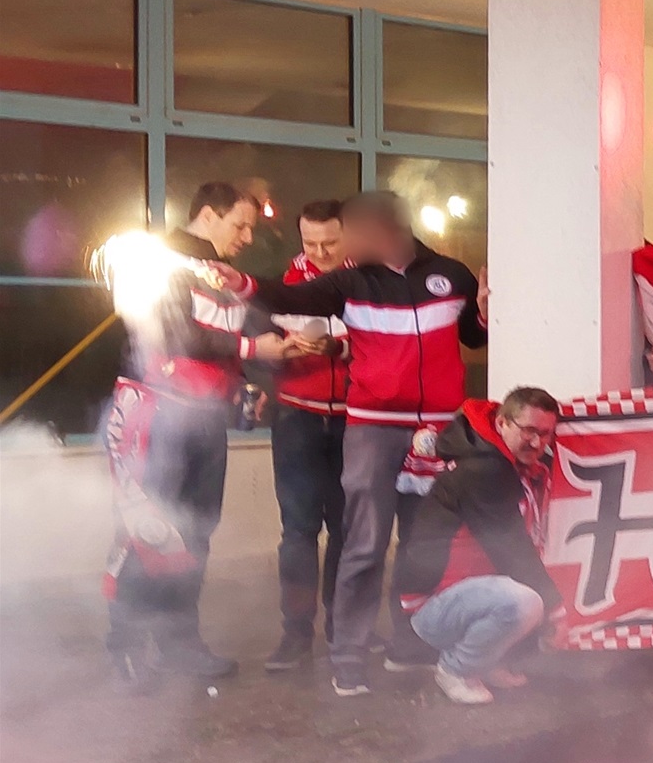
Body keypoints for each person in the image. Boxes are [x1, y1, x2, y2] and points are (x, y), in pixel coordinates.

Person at [261, 190, 486, 699]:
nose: (339, 247)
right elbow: (286, 300)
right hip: (369, 428)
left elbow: (473, 336)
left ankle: (410, 644)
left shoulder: (450, 274)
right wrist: (241, 285)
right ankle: (347, 656)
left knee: (423, 543)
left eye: (350, 235)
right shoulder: (350, 280)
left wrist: (487, 314)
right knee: (361, 543)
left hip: (436, 432)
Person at [104, 181, 290, 685]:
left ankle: (178, 641)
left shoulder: (220, 273)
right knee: (146, 527)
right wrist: (253, 351)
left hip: (204, 418)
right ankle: (125, 645)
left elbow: (223, 337)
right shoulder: (162, 259)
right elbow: (174, 334)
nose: (248, 237)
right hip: (156, 413)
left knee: (195, 533)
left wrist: (247, 381)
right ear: (208, 214)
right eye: (240, 225)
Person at [391, 386, 562, 706]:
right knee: (525, 602)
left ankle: (485, 663)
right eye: (529, 431)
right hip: (432, 604)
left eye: (545, 434)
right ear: (502, 423)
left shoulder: (496, 457)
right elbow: (510, 545)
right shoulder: (484, 468)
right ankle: (455, 670)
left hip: (460, 592)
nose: (537, 443)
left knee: (528, 593)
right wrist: (555, 607)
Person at [264, 200, 350, 672]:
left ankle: (344, 628)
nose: (319, 253)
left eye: (330, 243)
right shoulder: (285, 285)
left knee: (346, 529)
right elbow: (255, 351)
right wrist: (279, 353)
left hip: (354, 420)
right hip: (296, 417)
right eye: (310, 243)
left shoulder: (369, 283)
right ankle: (295, 635)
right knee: (298, 532)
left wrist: (343, 347)